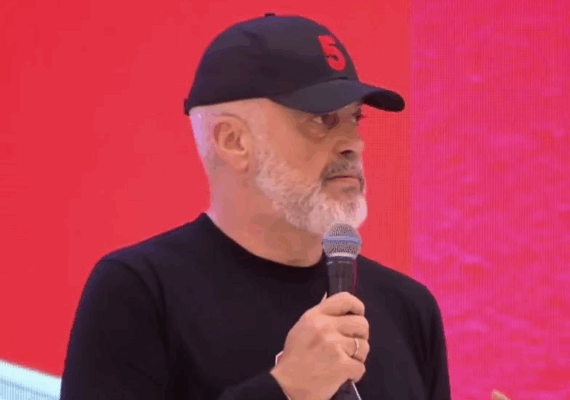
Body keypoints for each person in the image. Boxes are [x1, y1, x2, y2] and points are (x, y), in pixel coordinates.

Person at [60, 13, 511, 400]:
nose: (352, 143)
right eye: (322, 120)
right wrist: (287, 388)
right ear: (233, 141)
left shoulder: (408, 308)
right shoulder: (139, 291)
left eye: (355, 119)